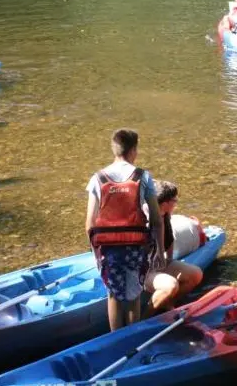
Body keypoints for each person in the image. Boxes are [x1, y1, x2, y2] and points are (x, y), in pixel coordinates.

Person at [85, 129, 165, 331]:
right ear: (134, 150)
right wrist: (159, 250)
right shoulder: (143, 177)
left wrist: (96, 253)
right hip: (135, 245)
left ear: (114, 149)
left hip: (108, 247)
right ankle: (132, 337)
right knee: (134, 294)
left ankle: (115, 339)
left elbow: (90, 224)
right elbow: (156, 220)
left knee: (113, 294)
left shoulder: (98, 178)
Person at [143, 180, 204, 315]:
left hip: (158, 262)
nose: (176, 203)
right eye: (174, 200)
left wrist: (169, 259)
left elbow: (169, 238)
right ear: (165, 203)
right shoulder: (144, 219)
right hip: (142, 270)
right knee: (171, 285)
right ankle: (145, 318)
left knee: (196, 274)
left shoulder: (164, 215)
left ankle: (167, 304)